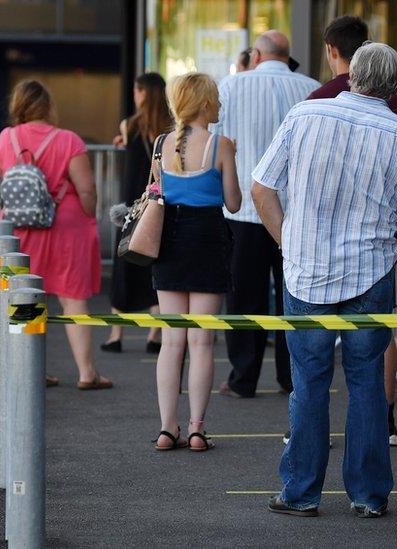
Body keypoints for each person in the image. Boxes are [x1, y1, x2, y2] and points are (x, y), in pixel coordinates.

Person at [253, 42, 397, 518]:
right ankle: (369, 494)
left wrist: (286, 242)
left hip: (305, 271)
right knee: (368, 384)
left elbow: (261, 187)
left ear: (351, 76)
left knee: (308, 384)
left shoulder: (305, 116)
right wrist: (393, 254)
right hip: (370, 273)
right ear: (395, 88)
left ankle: (300, 492)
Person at [307, 15, 397, 447]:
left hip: (315, 257)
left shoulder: (313, 105)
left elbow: (266, 185)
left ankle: (303, 470)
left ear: (333, 50)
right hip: (374, 255)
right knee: (371, 361)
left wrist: (287, 240)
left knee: (312, 367)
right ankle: (383, 430)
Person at [213, 30, 319, 400]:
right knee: (294, 295)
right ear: (287, 56)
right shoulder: (313, 88)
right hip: (297, 212)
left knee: (245, 297)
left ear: (256, 54)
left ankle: (243, 378)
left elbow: (214, 140)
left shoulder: (230, 86)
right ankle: (292, 377)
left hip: (243, 209)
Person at [0, 79, 111, 390]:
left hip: (22, 226)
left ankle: (31, 370)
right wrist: (86, 212)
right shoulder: (69, 140)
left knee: (27, 296)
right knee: (73, 300)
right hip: (65, 227)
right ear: (48, 107)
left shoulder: (7, 138)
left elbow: (6, 178)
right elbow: (86, 189)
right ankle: (87, 372)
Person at [151, 72, 241, 451]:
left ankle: (166, 428)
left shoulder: (161, 145)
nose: (220, 103)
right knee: (201, 342)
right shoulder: (221, 146)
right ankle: (197, 428)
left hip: (169, 240)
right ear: (204, 103)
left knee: (172, 342)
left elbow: (153, 195)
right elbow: (234, 203)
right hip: (207, 239)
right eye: (217, 98)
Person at [102, 73, 173, 354]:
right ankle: (155, 333)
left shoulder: (128, 125)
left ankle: (115, 334)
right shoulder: (168, 128)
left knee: (125, 263)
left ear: (143, 92)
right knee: (154, 262)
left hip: (133, 204)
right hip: (158, 204)